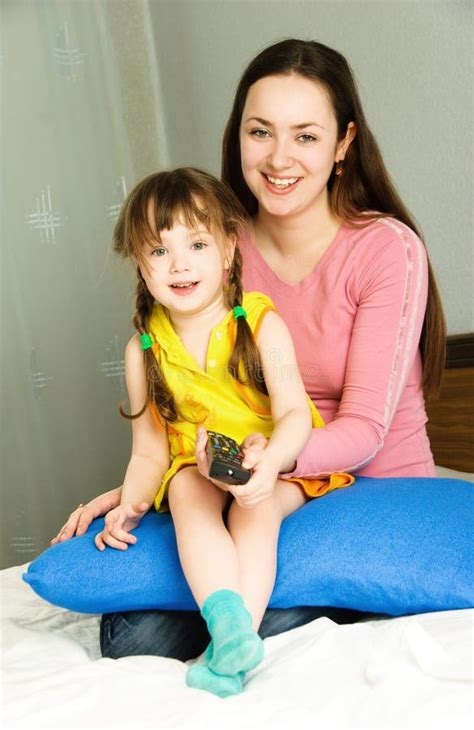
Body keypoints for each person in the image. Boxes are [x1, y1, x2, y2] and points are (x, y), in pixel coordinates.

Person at [52, 39, 445, 666]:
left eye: (306, 136)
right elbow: (191, 397)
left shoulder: (385, 250)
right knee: (128, 636)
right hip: (239, 478)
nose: (279, 158)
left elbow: (365, 429)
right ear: (238, 136)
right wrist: (134, 487)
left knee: (176, 628)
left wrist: (268, 462)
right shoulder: (216, 247)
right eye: (260, 132)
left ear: (344, 144)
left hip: (365, 487)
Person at [83, 165, 352, 697]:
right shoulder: (143, 351)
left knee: (258, 506)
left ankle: (233, 644)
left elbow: (295, 412)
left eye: (197, 244)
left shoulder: (261, 324)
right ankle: (228, 623)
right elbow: (149, 453)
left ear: (230, 248)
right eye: (159, 251)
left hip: (274, 460)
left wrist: (271, 462)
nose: (179, 265)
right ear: (140, 263)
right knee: (183, 489)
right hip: (200, 464)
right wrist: (131, 502)